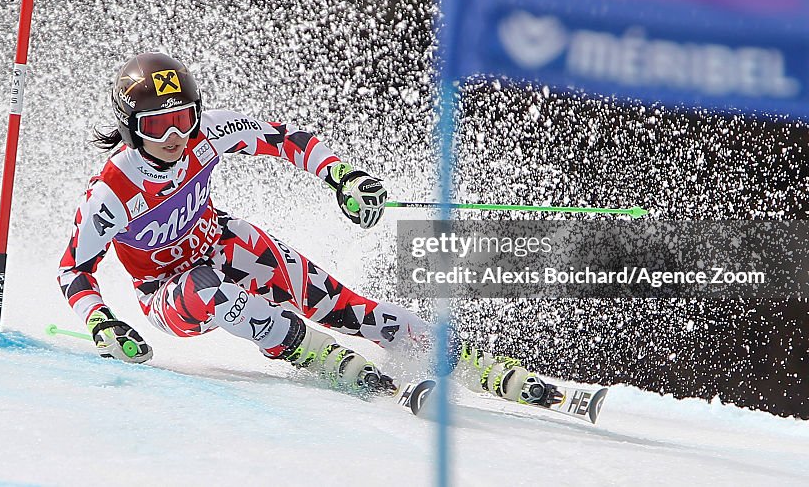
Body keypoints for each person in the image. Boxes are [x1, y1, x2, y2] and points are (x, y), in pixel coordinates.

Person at [58, 52, 548, 402]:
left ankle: (460, 357)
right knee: (209, 288)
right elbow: (73, 271)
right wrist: (102, 321)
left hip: (222, 243)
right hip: (166, 292)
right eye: (157, 125)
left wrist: (343, 177)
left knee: (338, 302)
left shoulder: (205, 137)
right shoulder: (113, 192)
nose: (174, 137)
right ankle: (316, 354)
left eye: (184, 118)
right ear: (129, 127)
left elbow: (286, 140)